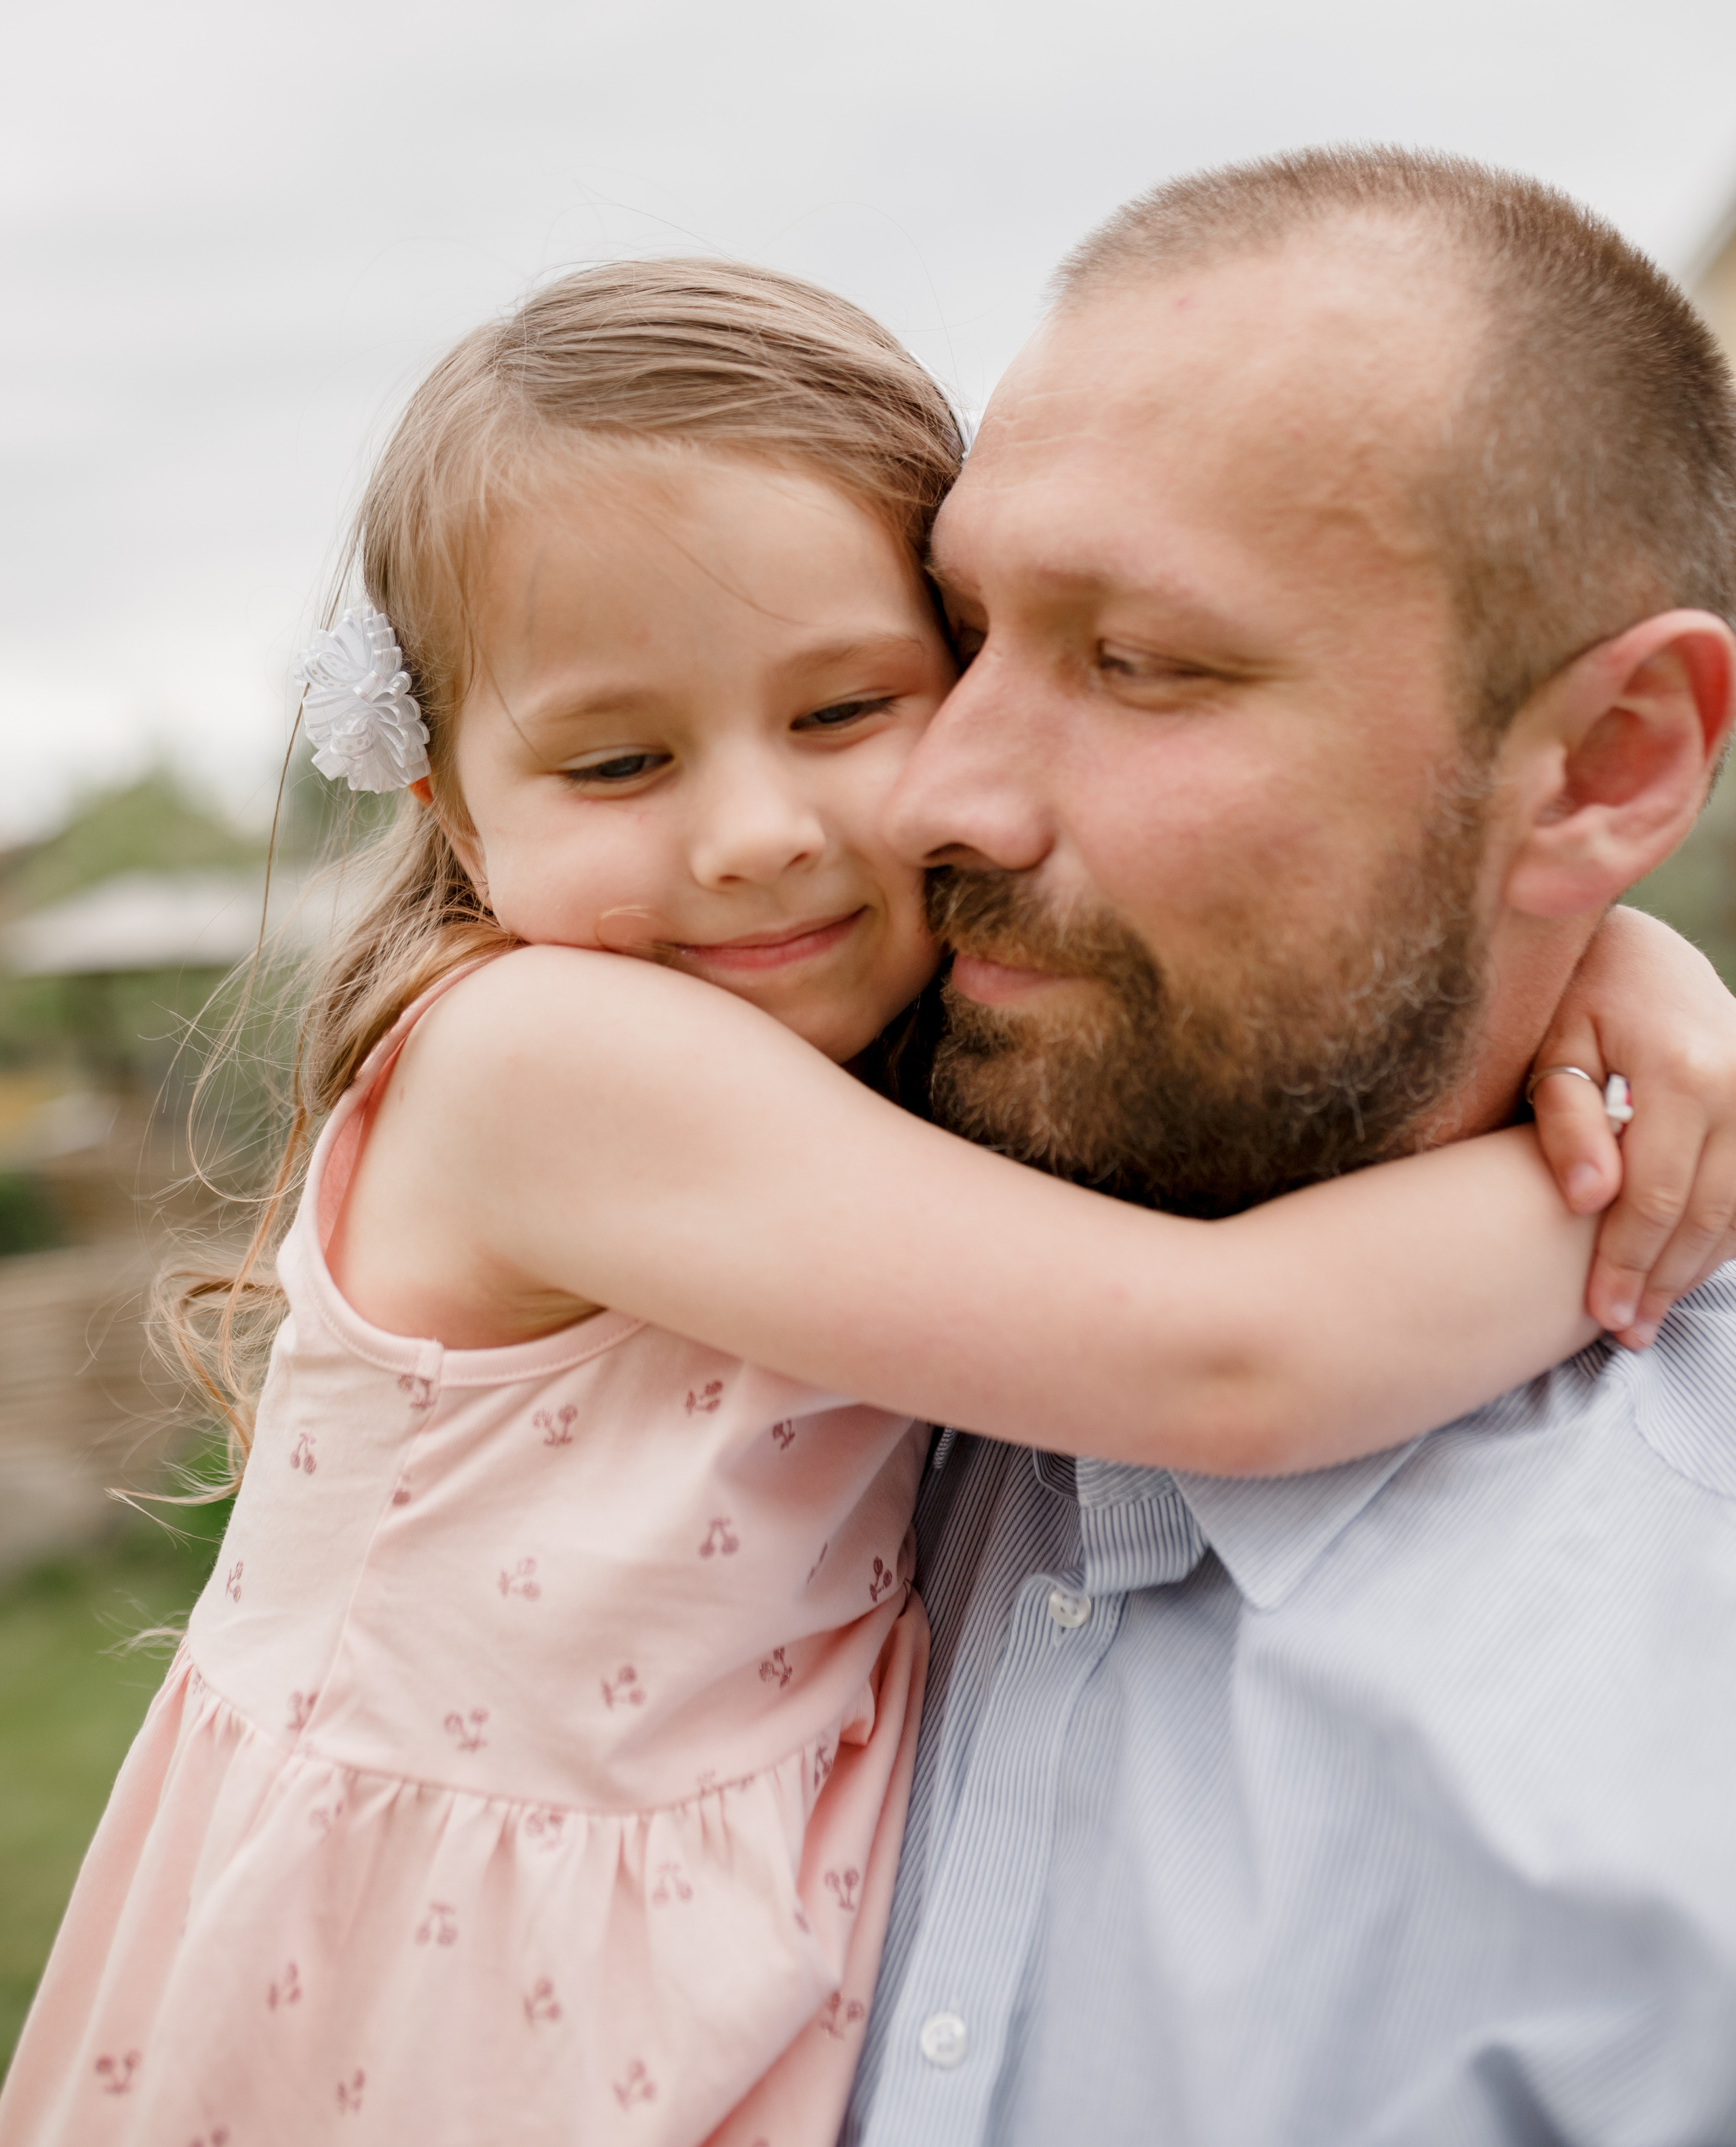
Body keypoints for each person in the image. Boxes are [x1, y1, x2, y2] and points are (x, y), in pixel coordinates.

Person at [0, 260, 1727, 2147]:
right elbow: (1233, 1358)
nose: (754, 832)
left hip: (674, 1978)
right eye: (618, 761)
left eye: (844, 710)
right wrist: (1635, 1170)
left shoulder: (854, 1071)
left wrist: (1594, 947)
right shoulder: (546, 1061)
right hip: (420, 2011)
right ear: (455, 805)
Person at [840, 149, 1736, 2146]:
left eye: (1141, 662)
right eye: (957, 632)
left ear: (1607, 766)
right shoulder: (719, 1310)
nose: (936, 795)